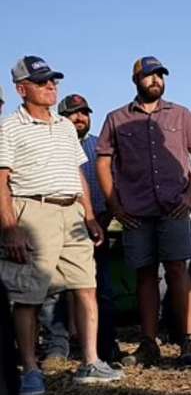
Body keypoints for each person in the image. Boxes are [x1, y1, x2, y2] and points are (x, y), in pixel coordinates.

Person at [0, 56, 123, 394]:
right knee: (28, 296)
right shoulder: (9, 127)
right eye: (42, 82)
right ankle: (30, 371)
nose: (51, 86)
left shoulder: (66, 126)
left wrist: (88, 216)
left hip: (72, 213)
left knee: (86, 287)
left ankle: (91, 361)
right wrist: (10, 227)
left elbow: (77, 174)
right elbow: (1, 180)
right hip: (32, 212)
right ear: (21, 89)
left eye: (53, 80)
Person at [96, 56, 191, 366]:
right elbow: (103, 162)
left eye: (160, 75)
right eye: (149, 76)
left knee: (178, 270)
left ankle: (187, 340)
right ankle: (149, 342)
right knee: (144, 275)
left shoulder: (181, 115)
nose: (155, 80)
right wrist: (115, 205)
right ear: (136, 81)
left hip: (174, 208)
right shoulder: (116, 119)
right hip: (136, 210)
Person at [40, 94, 125, 368]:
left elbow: (113, 184)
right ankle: (57, 347)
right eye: (74, 113)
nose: (80, 118)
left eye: (84, 113)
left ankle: (106, 346)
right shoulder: (50, 145)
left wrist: (104, 218)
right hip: (57, 220)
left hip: (96, 224)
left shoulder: (101, 146)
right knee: (53, 289)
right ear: (61, 117)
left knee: (100, 289)